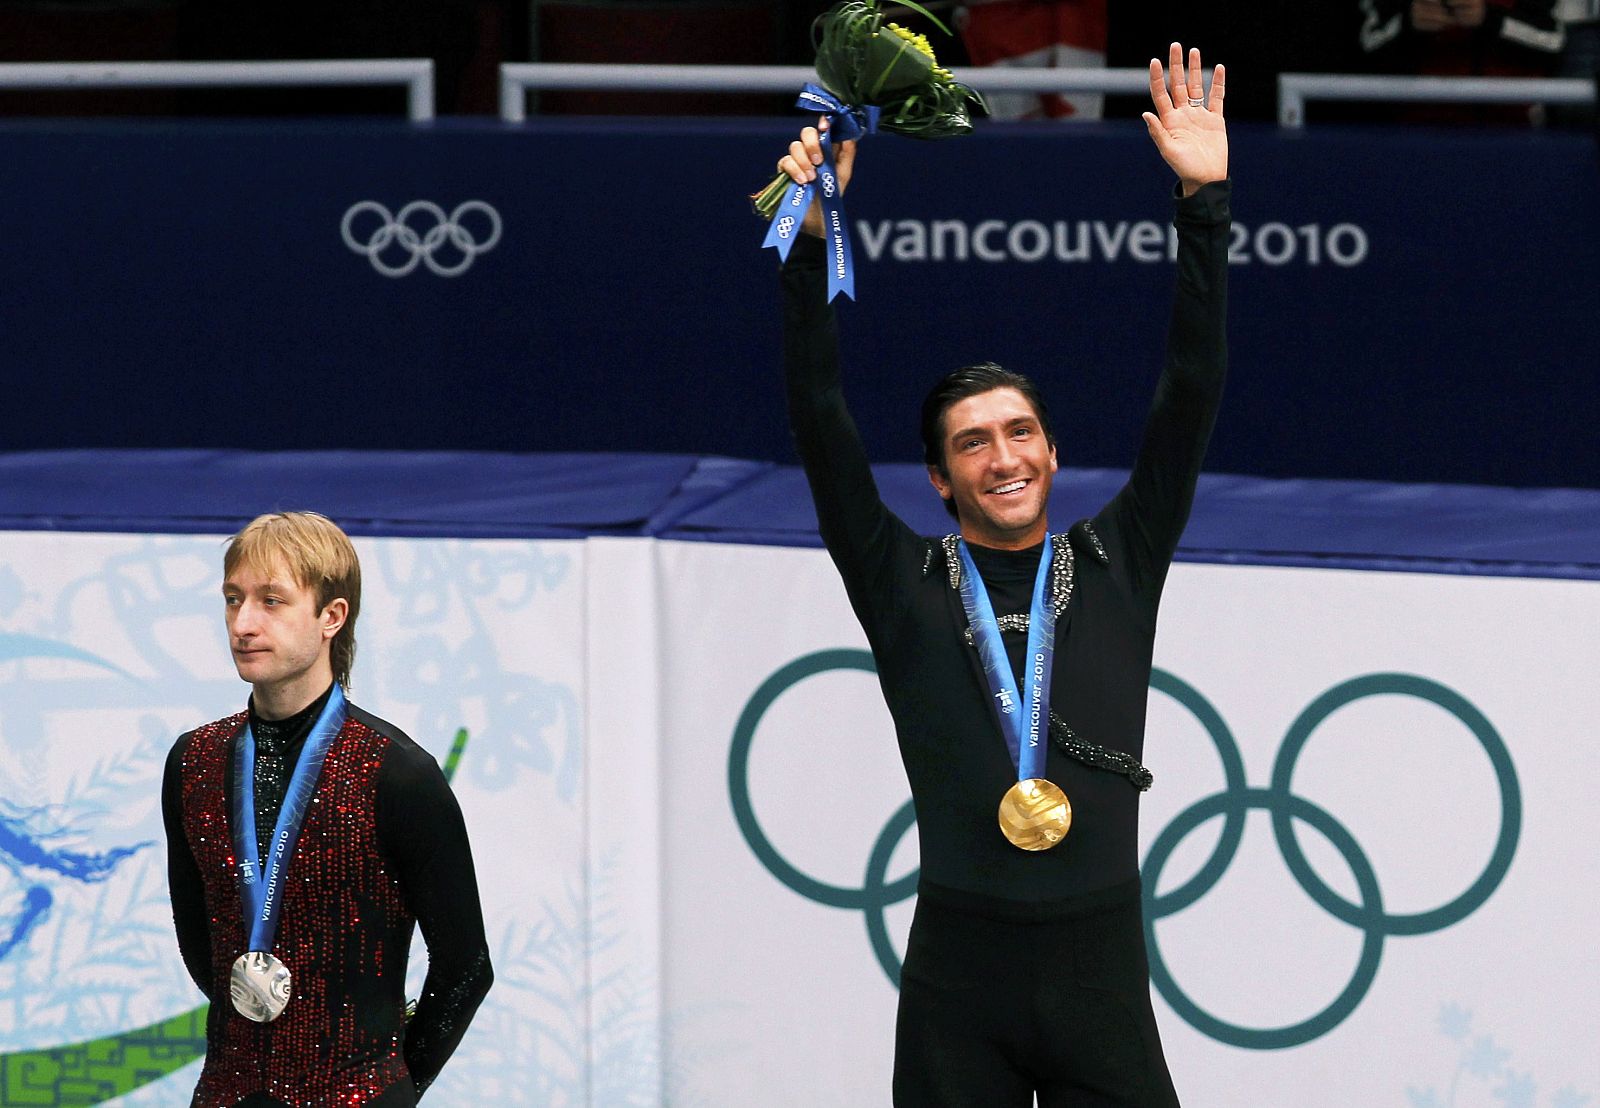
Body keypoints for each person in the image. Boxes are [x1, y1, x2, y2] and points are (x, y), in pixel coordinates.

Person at [775, 41, 1229, 1106]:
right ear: (939, 481)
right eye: (973, 443)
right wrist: (806, 254)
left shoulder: (1119, 556)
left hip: (1099, 975)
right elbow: (820, 421)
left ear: (1054, 454)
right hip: (957, 983)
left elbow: (1190, 390)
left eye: (1020, 432)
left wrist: (1202, 204)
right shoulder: (901, 579)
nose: (1004, 455)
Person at [162, 511, 493, 1106]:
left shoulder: (398, 775)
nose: (244, 622)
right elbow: (199, 941)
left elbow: (466, 968)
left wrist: (391, 1086)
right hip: (227, 1093)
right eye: (233, 599)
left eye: (272, 601)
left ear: (331, 618)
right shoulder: (196, 762)